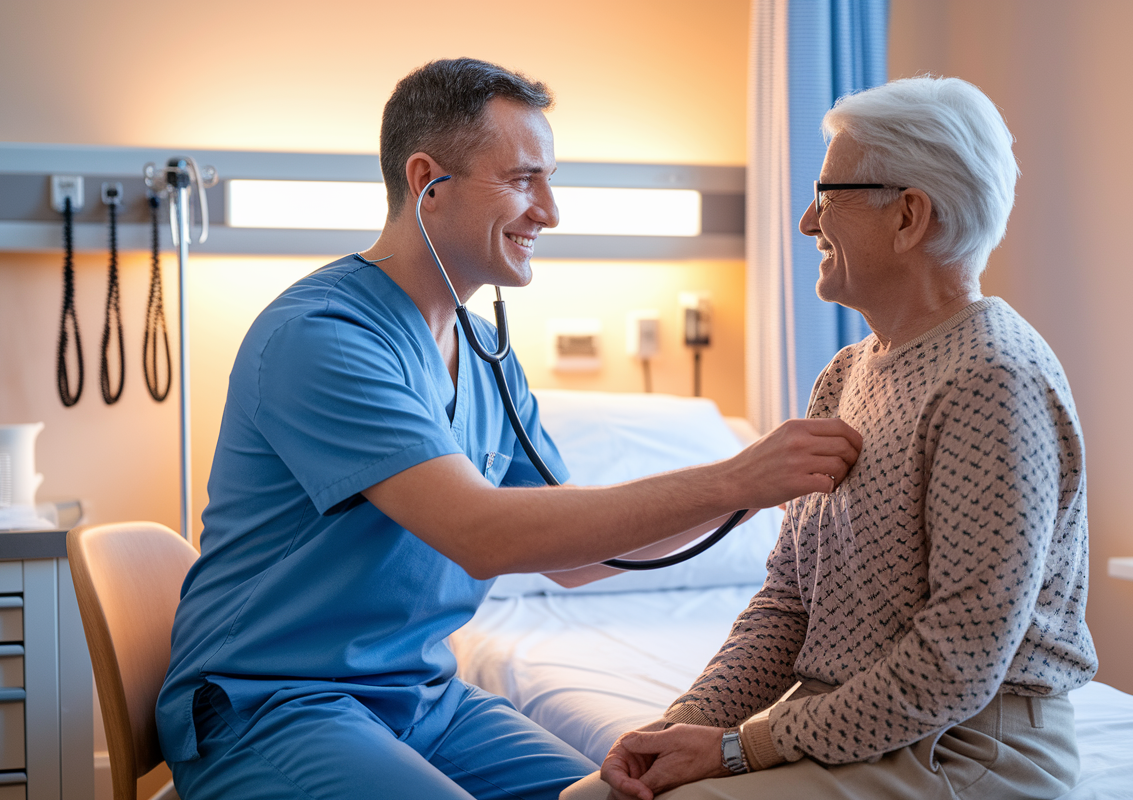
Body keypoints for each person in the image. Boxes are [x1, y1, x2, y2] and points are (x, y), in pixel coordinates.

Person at [156, 57, 863, 800]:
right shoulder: (324, 337)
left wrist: (751, 495)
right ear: (429, 181)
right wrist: (734, 475)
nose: (550, 211)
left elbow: (575, 559)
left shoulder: (484, 352)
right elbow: (486, 534)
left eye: (548, 179)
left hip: (423, 700)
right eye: (524, 179)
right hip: (276, 705)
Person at [562, 76, 1098, 800]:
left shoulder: (991, 378)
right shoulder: (847, 374)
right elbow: (790, 601)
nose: (809, 221)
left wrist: (736, 749)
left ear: (909, 216)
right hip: (852, 728)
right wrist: (684, 726)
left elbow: (957, 665)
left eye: (829, 194)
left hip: (964, 747)